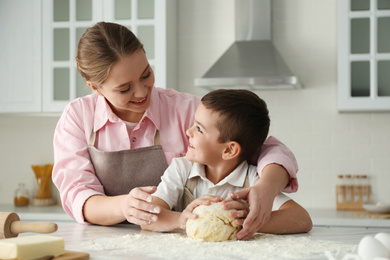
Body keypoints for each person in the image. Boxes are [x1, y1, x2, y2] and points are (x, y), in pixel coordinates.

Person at [52, 21, 299, 240]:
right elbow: (77, 194)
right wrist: (124, 207)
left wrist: (266, 188)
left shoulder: (186, 109)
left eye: (146, 74)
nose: (141, 92)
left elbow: (260, 145)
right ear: (95, 87)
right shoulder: (78, 117)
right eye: (125, 88)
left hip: (174, 244)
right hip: (105, 243)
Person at [140, 89, 312, 235]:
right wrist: (181, 219)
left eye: (199, 129)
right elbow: (146, 219)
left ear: (229, 150)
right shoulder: (181, 168)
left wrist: (253, 221)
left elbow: (302, 219)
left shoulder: (253, 180)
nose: (188, 131)